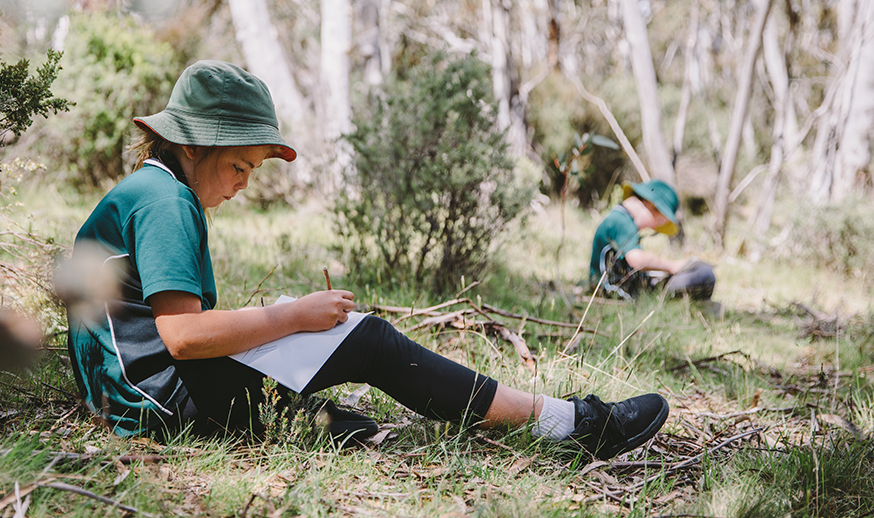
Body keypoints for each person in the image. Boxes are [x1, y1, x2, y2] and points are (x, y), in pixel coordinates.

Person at [66, 60, 669, 461]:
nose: (244, 184)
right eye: (239, 167)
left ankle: (323, 420)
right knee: (372, 341)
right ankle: (569, 423)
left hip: (125, 397)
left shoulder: (147, 191)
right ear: (191, 145)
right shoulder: (167, 202)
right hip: (155, 404)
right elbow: (183, 337)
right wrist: (292, 317)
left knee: (341, 427)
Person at [589, 179, 715, 301]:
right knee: (704, 275)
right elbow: (636, 259)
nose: (655, 227)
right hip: (616, 292)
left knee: (702, 271)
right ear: (650, 204)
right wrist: (673, 266)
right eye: (660, 221)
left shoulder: (621, 219)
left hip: (631, 287)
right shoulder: (620, 221)